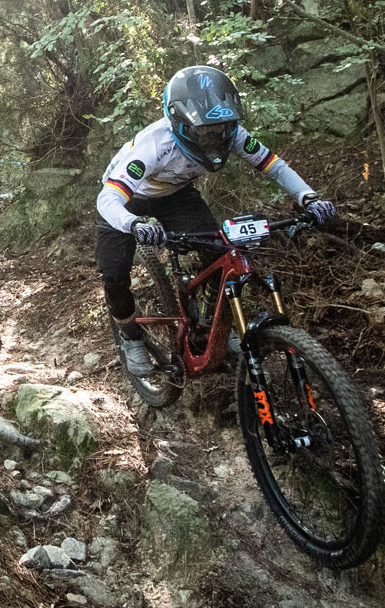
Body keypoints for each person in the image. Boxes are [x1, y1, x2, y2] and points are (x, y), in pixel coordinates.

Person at [96, 65, 336, 376]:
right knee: (114, 275)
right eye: (203, 131)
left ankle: (213, 323)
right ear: (180, 123)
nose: (213, 138)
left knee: (220, 254)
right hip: (127, 200)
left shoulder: (232, 134)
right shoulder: (154, 145)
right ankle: (130, 338)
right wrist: (133, 224)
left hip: (177, 195)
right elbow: (109, 199)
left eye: (221, 128)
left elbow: (273, 165)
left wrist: (308, 198)